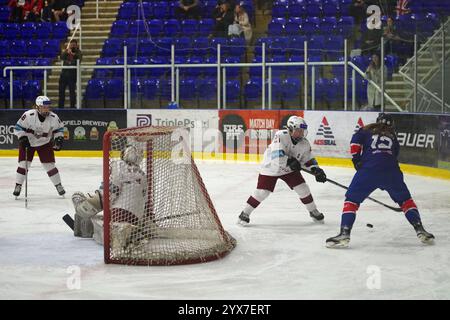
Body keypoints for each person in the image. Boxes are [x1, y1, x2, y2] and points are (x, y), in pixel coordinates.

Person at [326, 113, 434, 248]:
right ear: (392, 125)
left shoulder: (366, 129)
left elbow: (354, 143)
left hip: (369, 170)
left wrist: (356, 160)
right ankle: (420, 229)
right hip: (391, 171)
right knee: (406, 201)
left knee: (351, 201)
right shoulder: (393, 136)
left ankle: (344, 233)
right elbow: (394, 154)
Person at [238, 116, 327, 226]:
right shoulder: (281, 135)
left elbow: (308, 159)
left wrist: (316, 170)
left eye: (302, 131)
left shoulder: (305, 143)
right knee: (262, 192)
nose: (301, 133)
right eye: (298, 131)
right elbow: (277, 156)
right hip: (271, 167)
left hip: (289, 169)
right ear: (290, 129)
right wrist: (290, 161)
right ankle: (245, 213)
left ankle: (313, 211)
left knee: (303, 188)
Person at [71, 144, 148, 249]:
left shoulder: (118, 165)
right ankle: (132, 233)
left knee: (97, 221)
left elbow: (110, 192)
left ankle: (117, 231)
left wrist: (88, 205)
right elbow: (145, 201)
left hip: (120, 212)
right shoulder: (143, 175)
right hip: (136, 217)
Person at [13, 96, 65, 198]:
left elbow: (60, 129)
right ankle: (17, 186)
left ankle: (58, 185)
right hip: (28, 143)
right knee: (23, 165)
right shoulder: (28, 115)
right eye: (44, 107)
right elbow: (18, 128)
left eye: (48, 107)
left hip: (44, 143)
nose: (46, 109)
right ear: (37, 107)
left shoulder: (54, 117)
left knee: (50, 166)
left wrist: (59, 139)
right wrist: (22, 137)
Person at [58, 39, 82, 109]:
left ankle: (72, 107)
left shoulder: (78, 52)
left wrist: (72, 55)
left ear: (76, 45)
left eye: (74, 45)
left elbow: (78, 60)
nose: (72, 46)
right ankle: (61, 107)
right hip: (63, 75)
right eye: (71, 45)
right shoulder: (67, 51)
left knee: (72, 93)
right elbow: (62, 57)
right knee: (61, 92)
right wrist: (66, 52)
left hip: (72, 76)